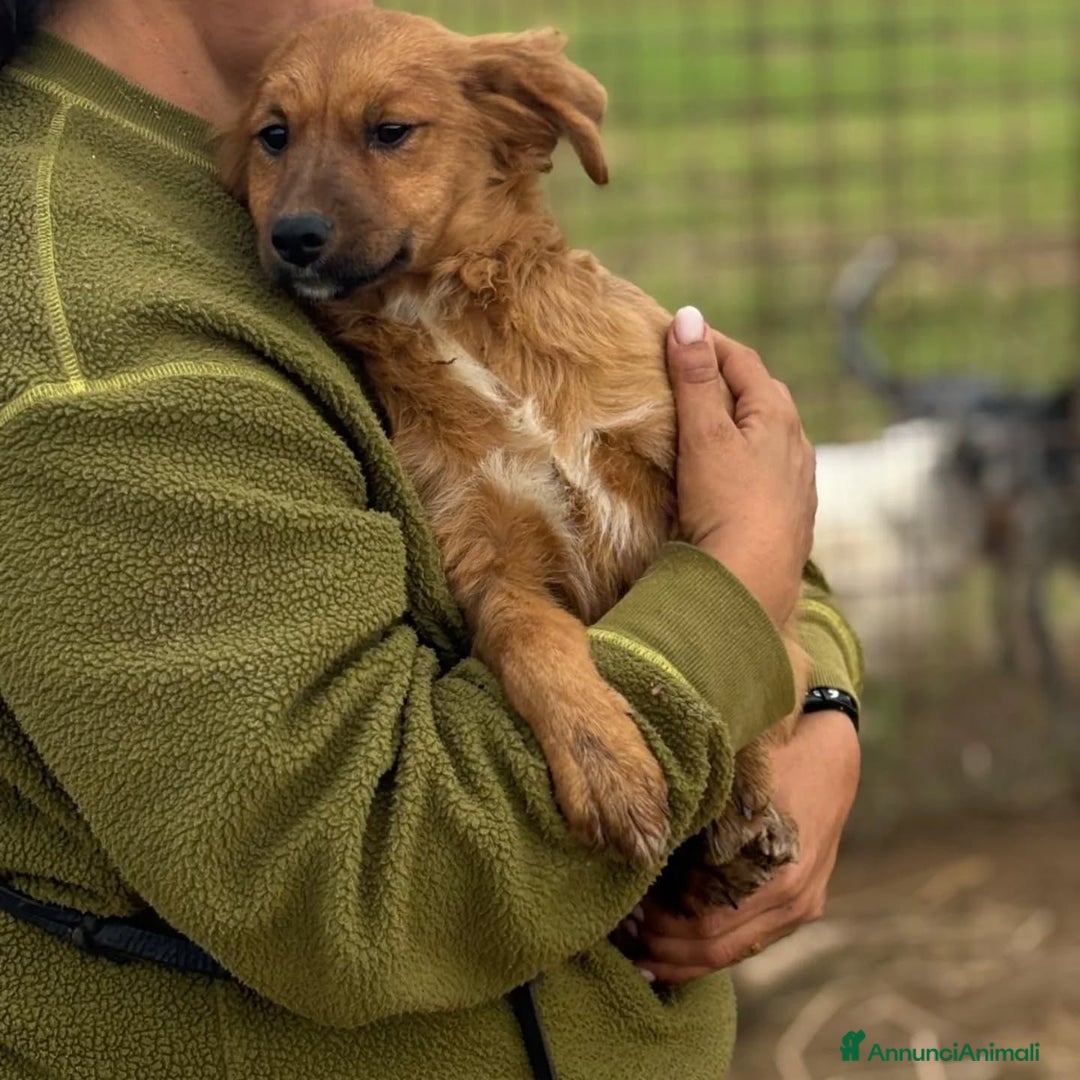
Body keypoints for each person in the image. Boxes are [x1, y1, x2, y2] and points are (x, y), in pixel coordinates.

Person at [0, 1, 863, 1076]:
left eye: (387, 134)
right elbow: (353, 886)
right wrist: (730, 609)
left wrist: (819, 702)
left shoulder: (320, 136)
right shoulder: (85, 317)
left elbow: (755, 525)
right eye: (276, 146)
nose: (299, 208)